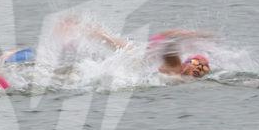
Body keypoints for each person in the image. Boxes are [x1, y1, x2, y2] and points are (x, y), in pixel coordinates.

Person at [85, 22, 213, 78]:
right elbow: (170, 39)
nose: (196, 71)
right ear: (189, 64)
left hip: (146, 58)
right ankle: (91, 31)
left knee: (124, 48)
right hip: (148, 57)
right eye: (196, 67)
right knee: (127, 51)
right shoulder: (175, 64)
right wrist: (192, 35)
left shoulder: (180, 74)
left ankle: (92, 31)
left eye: (198, 73)